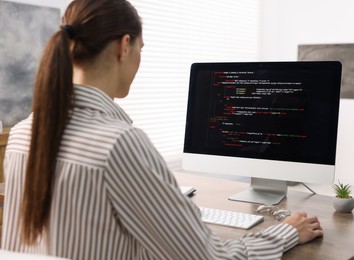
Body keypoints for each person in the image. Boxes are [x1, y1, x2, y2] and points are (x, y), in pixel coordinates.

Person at [1, 0, 323, 259]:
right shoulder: (119, 144)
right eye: (142, 48)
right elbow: (206, 256)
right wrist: (286, 232)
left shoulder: (22, 134)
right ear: (123, 46)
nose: (139, 58)